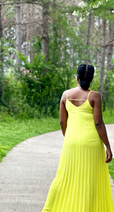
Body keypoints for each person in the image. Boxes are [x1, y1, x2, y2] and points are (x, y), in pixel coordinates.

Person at [41, 64, 113, 212]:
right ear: (91, 79)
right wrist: (108, 146)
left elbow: (62, 121)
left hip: (71, 141)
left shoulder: (65, 95)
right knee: (90, 178)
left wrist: (68, 137)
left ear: (77, 77)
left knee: (65, 176)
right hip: (91, 142)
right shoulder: (94, 96)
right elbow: (98, 123)